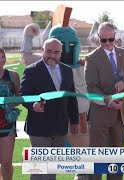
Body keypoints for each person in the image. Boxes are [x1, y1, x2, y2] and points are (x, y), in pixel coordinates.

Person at [20, 38, 79, 180]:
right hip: (39, 129)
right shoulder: (31, 70)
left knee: (52, 170)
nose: (52, 55)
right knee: (39, 171)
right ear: (42, 51)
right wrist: (33, 105)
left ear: (61, 54)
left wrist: (75, 121)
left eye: (56, 52)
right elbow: (24, 95)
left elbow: (71, 97)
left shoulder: (67, 70)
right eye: (49, 51)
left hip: (60, 128)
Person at [84, 22, 124, 180]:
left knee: (117, 158)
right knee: (97, 159)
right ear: (98, 38)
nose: (107, 43)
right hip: (100, 115)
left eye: (110, 39)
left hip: (119, 115)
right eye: (103, 40)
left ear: (115, 36)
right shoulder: (91, 58)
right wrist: (108, 101)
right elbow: (91, 88)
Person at [0, 48, 20, 180]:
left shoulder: (13, 76)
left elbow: (19, 98)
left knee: (6, 163)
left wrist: (7, 105)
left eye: (2, 57)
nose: (1, 60)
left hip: (7, 123)